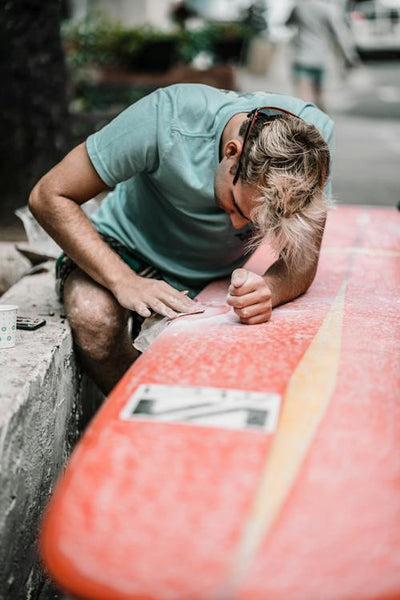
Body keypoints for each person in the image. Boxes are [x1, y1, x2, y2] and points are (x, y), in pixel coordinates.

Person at [29, 83, 333, 395]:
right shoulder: (166, 118)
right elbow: (49, 195)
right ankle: (140, 414)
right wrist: (124, 280)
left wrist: (270, 289)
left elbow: (303, 259)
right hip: (126, 248)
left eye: (260, 222)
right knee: (94, 317)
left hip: (216, 275)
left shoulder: (311, 146)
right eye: (236, 206)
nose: (237, 226)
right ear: (232, 152)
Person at [286, 0, 360, 111]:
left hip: (302, 57)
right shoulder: (328, 9)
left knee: (304, 100)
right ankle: (322, 126)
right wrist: (349, 57)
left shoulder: (299, 7)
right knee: (320, 98)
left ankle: (305, 124)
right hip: (321, 59)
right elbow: (340, 35)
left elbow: (287, 24)